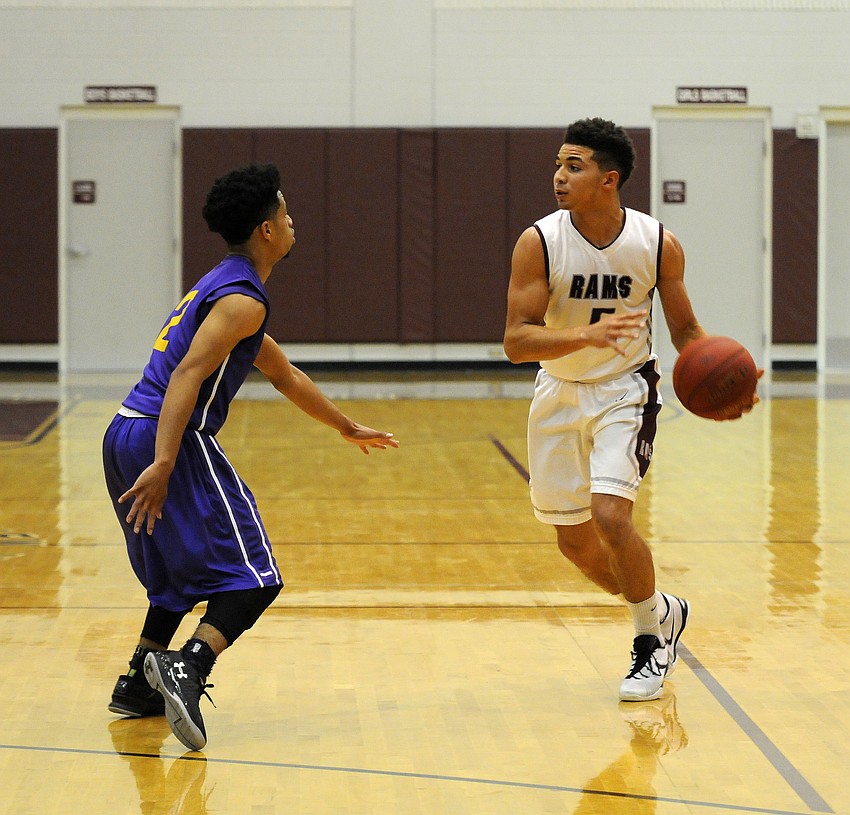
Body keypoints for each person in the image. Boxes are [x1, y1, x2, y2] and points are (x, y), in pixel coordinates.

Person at [104, 163, 399, 750]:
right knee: (255, 578)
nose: (293, 223)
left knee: (174, 579)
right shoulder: (242, 300)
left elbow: (283, 373)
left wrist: (345, 425)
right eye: (286, 214)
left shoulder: (225, 286)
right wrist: (165, 463)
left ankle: (139, 683)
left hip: (126, 430)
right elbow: (188, 375)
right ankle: (189, 666)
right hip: (172, 436)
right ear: (267, 229)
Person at [503, 118, 757, 702]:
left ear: (608, 179)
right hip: (558, 391)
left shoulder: (656, 242)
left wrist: (732, 380)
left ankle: (648, 642)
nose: (559, 177)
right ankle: (660, 609)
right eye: (558, 166)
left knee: (612, 517)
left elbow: (687, 328)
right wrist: (585, 338)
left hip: (626, 390)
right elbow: (518, 341)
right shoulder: (538, 241)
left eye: (575, 166)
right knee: (575, 544)